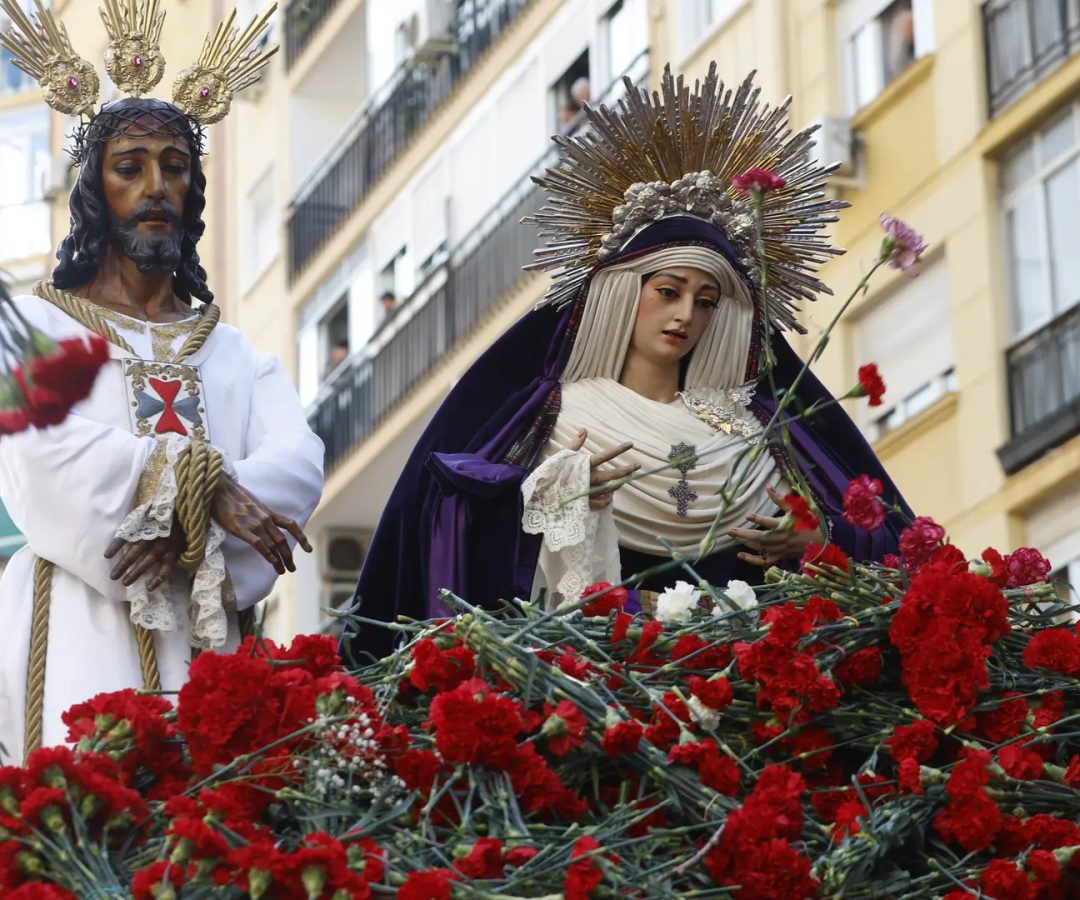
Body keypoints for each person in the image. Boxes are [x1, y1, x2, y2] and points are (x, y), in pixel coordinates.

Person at [342, 66, 910, 662]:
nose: (685, 315)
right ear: (621, 293)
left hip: (750, 681)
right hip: (603, 677)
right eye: (668, 291)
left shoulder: (758, 432)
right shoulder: (559, 415)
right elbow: (447, 526)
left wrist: (821, 541)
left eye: (706, 301)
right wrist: (554, 500)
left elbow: (890, 552)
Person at [0, 2, 323, 762]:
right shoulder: (33, 326)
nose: (155, 185)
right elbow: (39, 456)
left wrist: (184, 522)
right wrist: (199, 490)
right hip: (79, 614)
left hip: (206, 630)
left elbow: (298, 466)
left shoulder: (236, 353)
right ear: (93, 187)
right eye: (130, 167)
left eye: (173, 167)